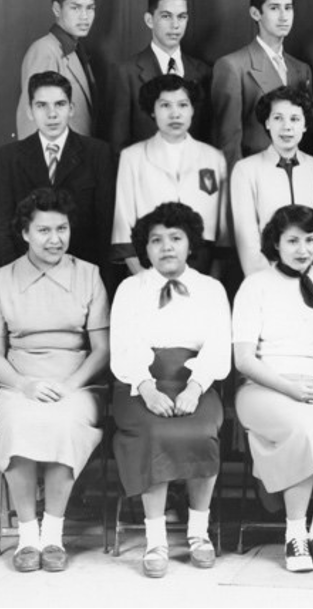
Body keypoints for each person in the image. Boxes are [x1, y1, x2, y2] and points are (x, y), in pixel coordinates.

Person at [0, 188, 110, 573]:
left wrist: (70, 385)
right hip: (19, 381)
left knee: (64, 422)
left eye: (62, 228)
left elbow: (101, 349)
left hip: (77, 381)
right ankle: (27, 538)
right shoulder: (1, 280)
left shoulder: (88, 275)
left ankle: (53, 536)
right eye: (44, 231)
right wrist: (25, 385)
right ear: (25, 234)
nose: (55, 239)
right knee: (20, 423)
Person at [233, 205, 313, 572]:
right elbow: (243, 359)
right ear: (276, 243)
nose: (302, 249)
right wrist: (290, 389)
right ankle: (294, 535)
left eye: (310, 239)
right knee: (304, 430)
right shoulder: (255, 285)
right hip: (263, 386)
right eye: (292, 241)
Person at [110, 202, 231, 578]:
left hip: (196, 381)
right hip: (138, 383)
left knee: (200, 430)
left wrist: (195, 387)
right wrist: (147, 388)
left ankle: (198, 532)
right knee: (154, 430)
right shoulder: (131, 288)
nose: (166, 247)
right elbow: (124, 344)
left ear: (190, 244)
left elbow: (217, 344)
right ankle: (156, 538)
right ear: (144, 248)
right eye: (156, 240)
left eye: (175, 238)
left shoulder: (210, 288)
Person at [0, 71, 115, 275]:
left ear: (71, 108)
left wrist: (99, 283)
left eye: (60, 104)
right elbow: (0, 227)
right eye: (41, 105)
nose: (52, 114)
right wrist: (16, 276)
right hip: (26, 277)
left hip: (82, 278)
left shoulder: (98, 153)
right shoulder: (10, 157)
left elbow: (106, 226)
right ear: (30, 111)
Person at [111, 74, 229, 277]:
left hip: (203, 265)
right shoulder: (132, 157)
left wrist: (211, 280)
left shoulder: (214, 158)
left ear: (193, 109)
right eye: (165, 106)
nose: (175, 114)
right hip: (149, 264)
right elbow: (122, 227)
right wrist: (144, 279)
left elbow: (223, 232)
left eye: (183, 105)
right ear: (152, 111)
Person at [211, 0, 313, 170]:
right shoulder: (233, 66)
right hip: (255, 173)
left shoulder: (302, 69)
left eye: (288, 8)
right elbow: (228, 141)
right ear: (255, 13)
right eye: (274, 8)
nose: (283, 16)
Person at [230, 85, 313, 275]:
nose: (287, 127)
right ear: (267, 122)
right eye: (278, 118)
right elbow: (247, 238)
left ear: (305, 125)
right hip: (266, 278)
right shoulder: (246, 170)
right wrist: (267, 281)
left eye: (295, 119)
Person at [106, 0, 212, 156]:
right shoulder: (126, 73)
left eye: (182, 16)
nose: (175, 25)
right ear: (149, 20)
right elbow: (118, 145)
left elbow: (208, 138)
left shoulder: (204, 72)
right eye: (166, 16)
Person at [16, 0, 98, 139]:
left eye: (90, 8)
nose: (85, 16)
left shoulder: (75, 49)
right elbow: (32, 124)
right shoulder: (45, 51)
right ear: (56, 9)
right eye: (75, 8)